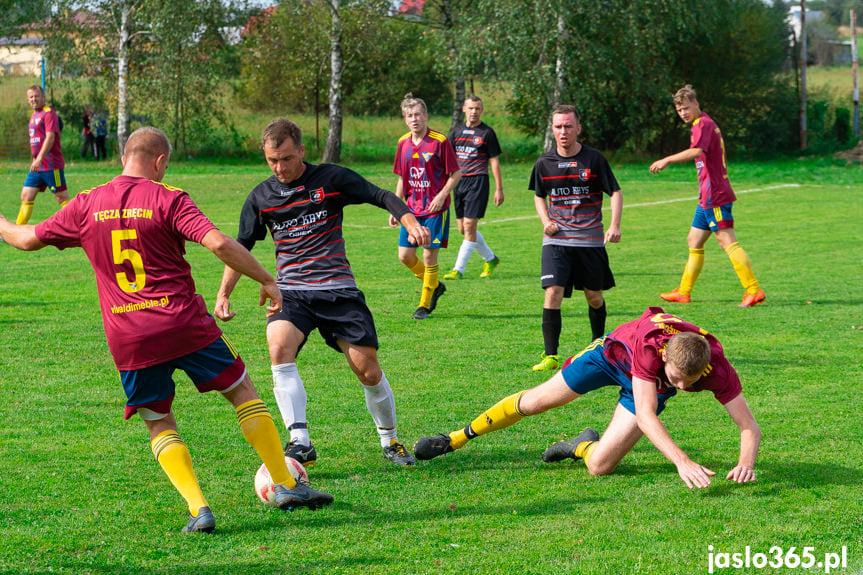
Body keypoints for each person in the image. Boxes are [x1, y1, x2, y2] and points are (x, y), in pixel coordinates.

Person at [0, 127, 333, 534]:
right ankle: (284, 483)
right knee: (241, 392)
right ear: (159, 161)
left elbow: (26, 238)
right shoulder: (168, 197)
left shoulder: (87, 203)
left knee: (159, 420)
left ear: (125, 157)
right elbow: (218, 243)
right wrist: (266, 278)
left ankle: (199, 509)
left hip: (129, 335)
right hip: (184, 324)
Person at [215, 118, 430, 468]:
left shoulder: (330, 179)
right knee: (278, 346)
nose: (280, 167)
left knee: (368, 372)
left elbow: (381, 195)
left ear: (301, 150)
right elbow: (241, 246)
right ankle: (300, 442)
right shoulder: (261, 197)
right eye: (272, 160)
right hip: (292, 294)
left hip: (338, 291)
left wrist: (408, 220)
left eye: (286, 158)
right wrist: (224, 294)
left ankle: (390, 441)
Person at [413, 306, 761, 490]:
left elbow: (749, 427)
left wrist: (746, 463)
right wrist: (682, 461)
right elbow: (646, 415)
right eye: (676, 380)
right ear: (665, 358)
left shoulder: (717, 369)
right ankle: (455, 439)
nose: (683, 388)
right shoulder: (650, 350)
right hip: (609, 358)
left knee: (599, 468)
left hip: (644, 386)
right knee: (536, 402)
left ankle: (581, 446)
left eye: (690, 382)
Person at [649, 85, 765, 308]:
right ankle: (684, 291)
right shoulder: (699, 124)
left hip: (716, 196)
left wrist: (667, 159)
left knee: (726, 240)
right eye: (679, 110)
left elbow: (696, 152)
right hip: (707, 196)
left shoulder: (703, 124)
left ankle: (753, 290)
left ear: (696, 104)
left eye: (686, 108)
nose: (683, 113)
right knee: (694, 239)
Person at [529, 105, 622, 372]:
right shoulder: (544, 163)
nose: (563, 131)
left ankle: (598, 345)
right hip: (556, 241)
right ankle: (550, 356)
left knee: (594, 296)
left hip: (590, 241)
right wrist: (546, 221)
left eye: (568, 126)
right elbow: (538, 195)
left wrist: (614, 225)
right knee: (552, 293)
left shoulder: (593, 160)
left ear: (578, 129)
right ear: (552, 129)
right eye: (558, 126)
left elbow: (615, 192)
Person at [391, 93, 462, 320]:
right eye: (410, 115)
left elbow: (456, 173)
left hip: (434, 210)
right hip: (411, 210)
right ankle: (434, 285)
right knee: (405, 256)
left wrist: (442, 195)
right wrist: (395, 206)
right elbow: (402, 177)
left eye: (418, 114)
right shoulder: (402, 143)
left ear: (426, 116)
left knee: (430, 256)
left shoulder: (439, 141)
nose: (415, 119)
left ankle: (424, 304)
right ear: (405, 119)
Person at [443, 95, 504, 280]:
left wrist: (499, 188)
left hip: (478, 181)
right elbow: (447, 157)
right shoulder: (456, 131)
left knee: (469, 226)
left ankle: (458, 269)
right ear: (464, 109)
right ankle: (491, 258)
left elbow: (494, 161)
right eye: (470, 108)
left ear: (481, 110)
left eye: (477, 108)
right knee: (463, 229)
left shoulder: (487, 133)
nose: (474, 112)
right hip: (459, 182)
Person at [17, 85, 70, 225]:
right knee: (26, 196)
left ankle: (81, 224)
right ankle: (17, 231)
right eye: (31, 97)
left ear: (43, 97)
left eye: (37, 96)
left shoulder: (49, 113)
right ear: (28, 100)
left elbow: (50, 137)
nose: (34, 99)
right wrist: (35, 160)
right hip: (37, 167)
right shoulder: (34, 115)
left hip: (52, 166)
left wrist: (39, 158)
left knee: (62, 198)